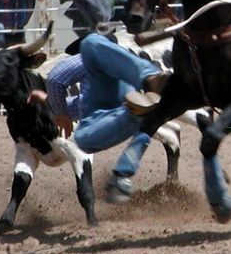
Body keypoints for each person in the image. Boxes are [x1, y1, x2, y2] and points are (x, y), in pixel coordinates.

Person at [33, 33, 169, 204]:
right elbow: (78, 103)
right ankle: (146, 87)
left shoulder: (88, 60)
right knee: (141, 122)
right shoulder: (117, 65)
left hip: (113, 115)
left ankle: (135, 112)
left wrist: (59, 111)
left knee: (82, 138)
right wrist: (49, 102)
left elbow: (55, 79)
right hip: (127, 98)